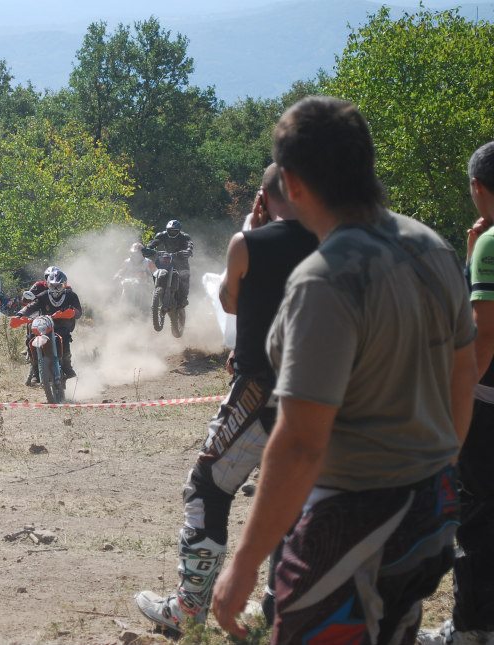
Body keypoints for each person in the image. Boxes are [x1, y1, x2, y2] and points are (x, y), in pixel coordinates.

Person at [210, 96, 476, 643]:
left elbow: (301, 442)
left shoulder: (325, 280)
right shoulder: (432, 247)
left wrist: (244, 563)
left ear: (292, 182)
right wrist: (440, 468)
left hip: (352, 523)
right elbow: (463, 374)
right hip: (429, 510)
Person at [134, 163, 318, 634]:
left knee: (207, 487)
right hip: (321, 391)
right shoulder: (334, 241)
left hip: (261, 387)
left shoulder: (249, 243)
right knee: (296, 496)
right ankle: (280, 607)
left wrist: (252, 233)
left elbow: (230, 302)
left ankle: (189, 609)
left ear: (264, 197)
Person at [420, 142, 494, 645]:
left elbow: (483, 335)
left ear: (477, 187)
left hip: (488, 407)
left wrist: (453, 409)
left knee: (475, 522)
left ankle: (470, 630)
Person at [17, 269, 82, 379]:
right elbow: (31, 306)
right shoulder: (43, 295)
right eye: (52, 286)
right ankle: (36, 370)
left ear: (64, 285)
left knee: (65, 338)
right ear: (48, 285)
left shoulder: (71, 295)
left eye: (58, 286)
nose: (55, 289)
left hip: (63, 326)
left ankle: (67, 366)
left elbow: (79, 312)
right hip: (44, 325)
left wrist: (72, 312)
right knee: (32, 337)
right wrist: (20, 314)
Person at [145, 219, 193, 306]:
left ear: (179, 230)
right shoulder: (162, 235)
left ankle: (183, 299)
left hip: (181, 260)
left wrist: (188, 250)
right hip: (167, 259)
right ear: (167, 230)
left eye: (174, 231)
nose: (172, 232)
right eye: (170, 230)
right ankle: (156, 292)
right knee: (156, 272)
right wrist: (148, 249)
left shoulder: (184, 237)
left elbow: (189, 244)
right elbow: (154, 242)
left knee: (184, 275)